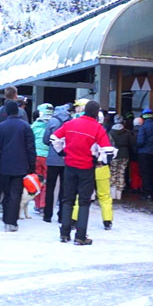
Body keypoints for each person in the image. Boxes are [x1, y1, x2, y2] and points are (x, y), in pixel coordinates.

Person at [52, 101, 113, 245]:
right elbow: (107, 150)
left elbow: (54, 138)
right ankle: (80, 236)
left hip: (69, 166)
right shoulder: (97, 128)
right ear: (97, 113)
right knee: (84, 202)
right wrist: (102, 162)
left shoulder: (71, 123)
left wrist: (62, 152)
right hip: (86, 168)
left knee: (68, 200)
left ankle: (64, 234)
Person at [0, 101, 37, 232]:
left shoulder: (1, 126)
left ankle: (6, 219)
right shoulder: (25, 126)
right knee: (16, 193)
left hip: (4, 164)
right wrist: (31, 164)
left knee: (7, 193)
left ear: (7, 111)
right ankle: (12, 222)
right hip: (20, 164)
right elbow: (30, 147)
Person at [42, 103, 72, 223]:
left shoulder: (52, 121)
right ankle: (62, 215)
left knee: (50, 187)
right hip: (67, 159)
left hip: (53, 159)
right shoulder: (71, 122)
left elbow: (45, 140)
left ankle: (47, 215)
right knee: (65, 189)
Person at [31, 103, 53, 212]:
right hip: (48, 156)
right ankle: (43, 205)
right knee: (46, 181)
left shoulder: (34, 125)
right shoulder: (53, 124)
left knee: (37, 180)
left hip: (36, 155)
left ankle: (37, 203)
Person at [108, 115, 133, 200]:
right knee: (121, 173)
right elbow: (132, 143)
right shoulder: (127, 132)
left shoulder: (110, 132)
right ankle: (119, 193)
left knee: (113, 173)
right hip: (125, 154)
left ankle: (113, 193)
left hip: (114, 154)